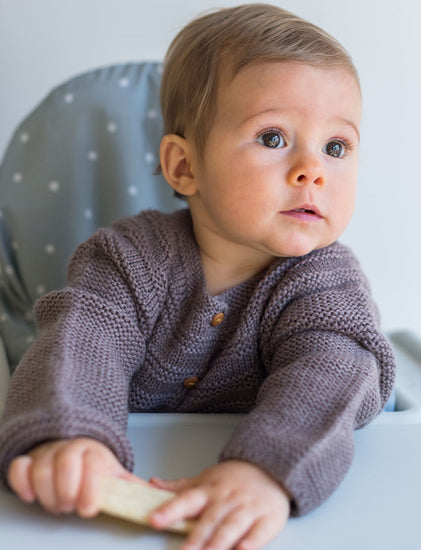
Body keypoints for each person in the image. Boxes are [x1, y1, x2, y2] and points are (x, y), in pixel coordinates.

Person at [0, 4, 396, 550]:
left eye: (336, 146)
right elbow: (82, 342)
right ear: (184, 167)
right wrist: (72, 437)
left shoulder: (326, 282)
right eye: (274, 137)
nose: (314, 169)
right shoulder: (127, 256)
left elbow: (332, 371)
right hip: (113, 503)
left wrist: (266, 471)